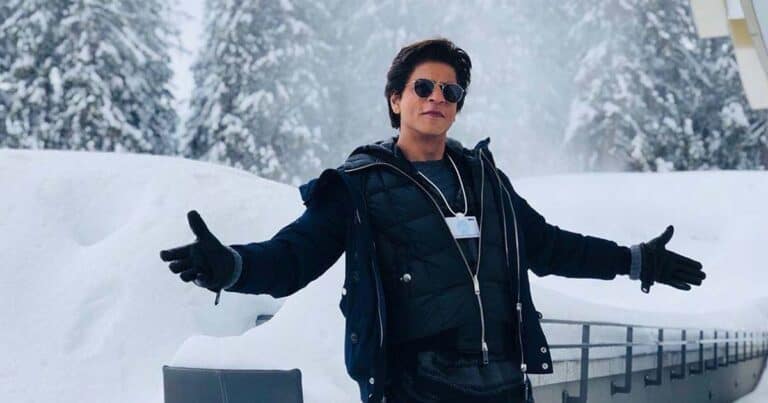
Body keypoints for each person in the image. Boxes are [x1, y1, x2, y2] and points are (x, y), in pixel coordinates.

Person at [159, 38, 706, 403]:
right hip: (415, 389)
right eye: (423, 87)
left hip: (505, 384)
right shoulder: (359, 184)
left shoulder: (486, 180)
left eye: (451, 91)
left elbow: (549, 246)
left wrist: (636, 261)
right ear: (396, 100)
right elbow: (292, 257)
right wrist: (233, 267)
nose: (437, 98)